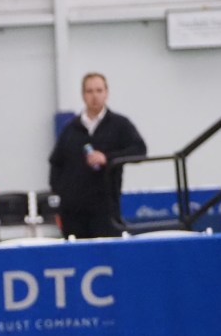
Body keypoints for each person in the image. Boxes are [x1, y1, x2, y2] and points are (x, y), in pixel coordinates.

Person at [48, 72, 147, 238]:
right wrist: (62, 193)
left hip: (106, 211)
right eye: (90, 91)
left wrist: (108, 158)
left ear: (106, 93)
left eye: (99, 90)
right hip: (74, 214)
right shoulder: (70, 129)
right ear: (83, 95)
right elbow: (56, 163)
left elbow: (139, 151)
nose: (95, 96)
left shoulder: (120, 124)